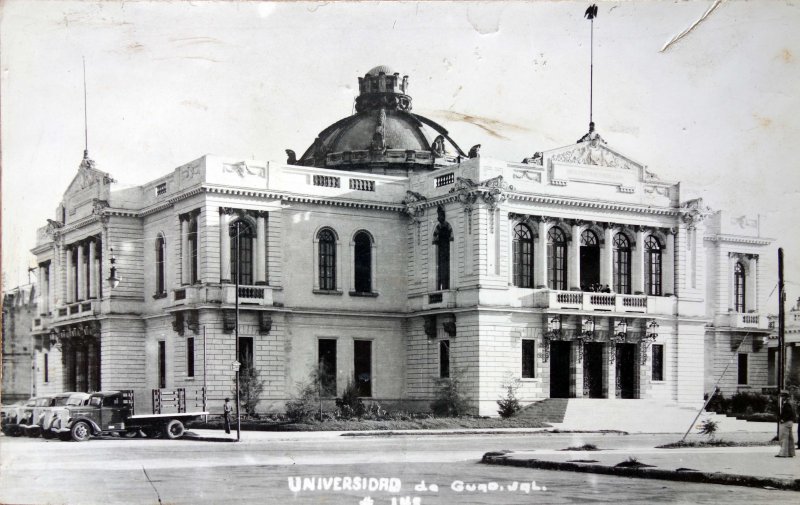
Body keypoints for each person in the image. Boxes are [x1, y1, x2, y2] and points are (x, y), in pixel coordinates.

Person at [776, 390, 796, 457]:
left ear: (785, 396)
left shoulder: (786, 403)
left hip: (786, 422)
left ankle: (783, 453)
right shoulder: (790, 402)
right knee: (790, 438)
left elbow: (789, 412)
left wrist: (783, 419)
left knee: (783, 437)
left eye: (782, 395)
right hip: (790, 422)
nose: (781, 397)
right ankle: (791, 453)